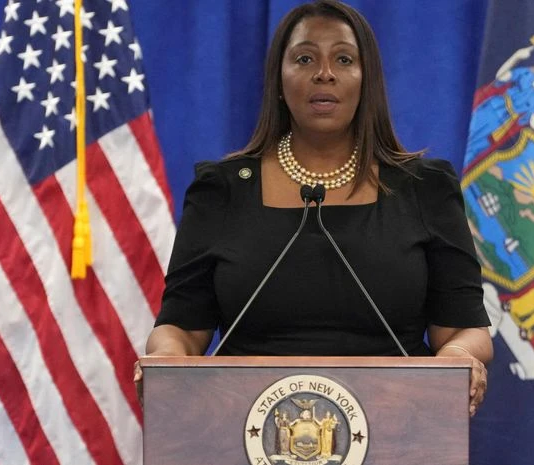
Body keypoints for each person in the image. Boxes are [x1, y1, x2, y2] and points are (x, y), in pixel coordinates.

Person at [136, 0, 492, 416]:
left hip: (399, 421)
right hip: (243, 425)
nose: (325, 73)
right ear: (279, 79)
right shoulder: (222, 191)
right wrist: (167, 362)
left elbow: (464, 329)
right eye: (305, 59)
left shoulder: (424, 188)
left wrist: (458, 361)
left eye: (344, 59)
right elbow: (179, 328)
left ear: (367, 80)